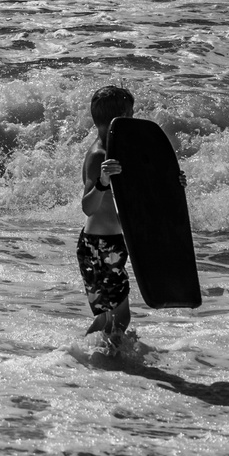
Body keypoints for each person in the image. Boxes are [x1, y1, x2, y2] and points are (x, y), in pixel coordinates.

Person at [78, 85, 136, 351]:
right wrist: (101, 182)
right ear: (120, 120)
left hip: (100, 244)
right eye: (131, 115)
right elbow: (88, 206)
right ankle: (116, 362)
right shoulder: (99, 155)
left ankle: (77, 357)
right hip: (102, 246)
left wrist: (174, 183)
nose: (133, 120)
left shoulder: (118, 152)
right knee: (121, 316)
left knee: (105, 318)